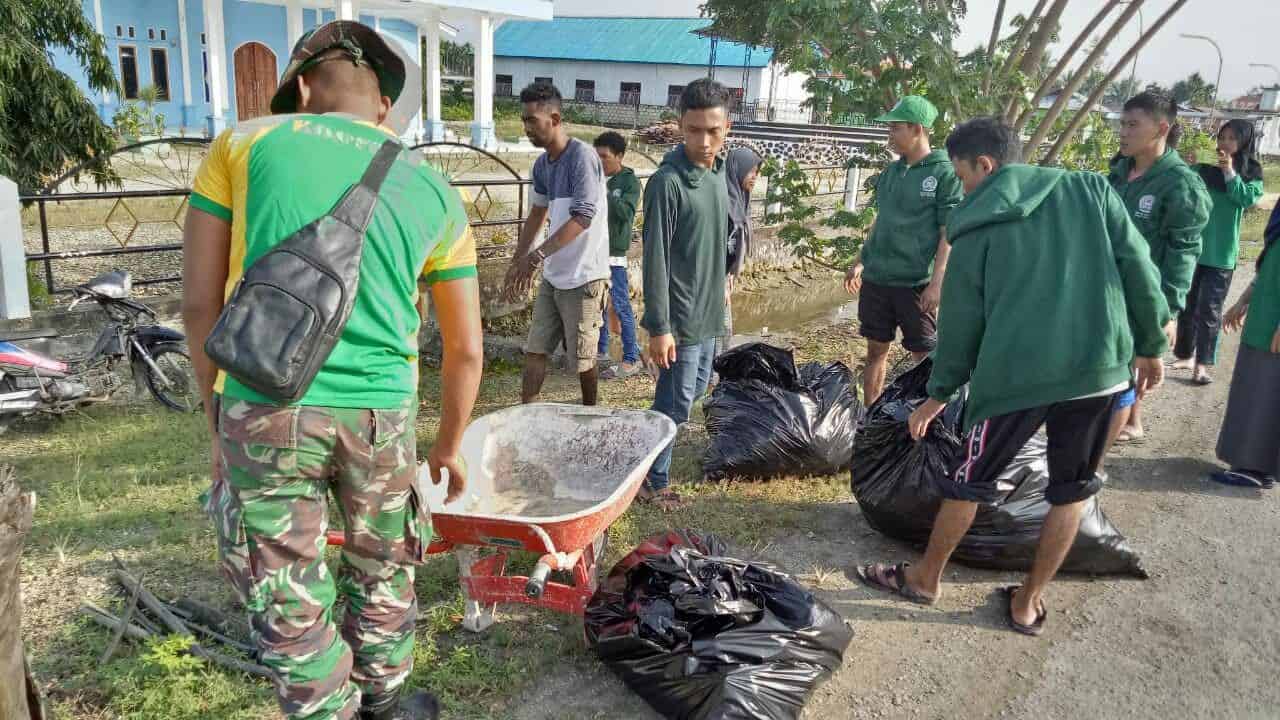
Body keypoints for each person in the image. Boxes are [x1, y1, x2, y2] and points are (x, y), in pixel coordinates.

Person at [181, 21, 484, 720]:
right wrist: (446, 446)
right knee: (383, 567)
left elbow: (200, 304)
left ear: (305, 86)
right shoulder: (433, 188)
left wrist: (218, 417)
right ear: (383, 105)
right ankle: (383, 703)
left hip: (263, 400)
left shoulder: (243, 144)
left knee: (287, 584)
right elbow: (465, 349)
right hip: (381, 414)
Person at [855, 117, 1169, 636]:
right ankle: (1026, 603)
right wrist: (1151, 346)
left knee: (969, 480)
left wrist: (939, 394)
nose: (961, 188)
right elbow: (1138, 267)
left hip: (1011, 382)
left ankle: (925, 579)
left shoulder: (975, 227)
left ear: (985, 165)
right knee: (1073, 491)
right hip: (1098, 374)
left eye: (961, 176)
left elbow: (961, 324)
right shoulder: (1090, 190)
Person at [640, 78, 731, 510]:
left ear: (727, 127)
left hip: (710, 313)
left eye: (713, 130)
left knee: (691, 394)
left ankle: (645, 455)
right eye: (695, 130)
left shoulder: (718, 173)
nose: (704, 140)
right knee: (674, 402)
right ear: (680, 126)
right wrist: (659, 326)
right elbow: (654, 258)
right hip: (680, 318)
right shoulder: (667, 183)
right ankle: (652, 481)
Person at [1105, 92, 1211, 445]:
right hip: (1107, 291)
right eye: (1122, 123)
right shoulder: (1119, 174)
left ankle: (1099, 457)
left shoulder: (1180, 184)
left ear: (1161, 128)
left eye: (1133, 124)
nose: (1123, 132)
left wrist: (1168, 311)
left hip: (1145, 296)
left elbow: (1183, 252)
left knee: (1128, 371)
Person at [844, 95, 963, 406]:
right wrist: (860, 260)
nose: (890, 136)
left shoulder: (944, 174)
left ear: (918, 129)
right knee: (875, 350)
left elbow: (946, 232)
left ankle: (927, 420)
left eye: (896, 129)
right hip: (878, 280)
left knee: (923, 354)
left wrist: (937, 283)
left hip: (914, 283)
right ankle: (871, 415)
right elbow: (881, 221)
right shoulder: (891, 173)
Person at [504, 82, 611, 405]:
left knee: (582, 360)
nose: (526, 128)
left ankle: (590, 413)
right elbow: (537, 213)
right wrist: (518, 259)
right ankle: (527, 413)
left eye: (532, 121)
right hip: (553, 276)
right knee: (535, 350)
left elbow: (583, 217)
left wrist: (535, 257)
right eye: (524, 121)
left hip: (585, 276)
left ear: (554, 118)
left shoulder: (582, 158)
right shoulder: (541, 165)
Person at [1173, 119, 1266, 384]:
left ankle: (1202, 365)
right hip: (1193, 248)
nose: (1224, 143)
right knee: (1187, 306)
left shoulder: (1251, 172)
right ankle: (1184, 354)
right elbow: (1184, 189)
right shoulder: (1205, 167)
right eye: (1221, 137)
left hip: (1221, 254)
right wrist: (1186, 165)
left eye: (1231, 138)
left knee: (1210, 310)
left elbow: (1245, 199)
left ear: (1244, 142)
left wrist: (1229, 173)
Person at [1212, 199, 1280, 488]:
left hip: (1274, 326)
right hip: (1265, 317)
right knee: (1253, 388)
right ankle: (1250, 465)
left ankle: (1253, 468)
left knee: (1266, 392)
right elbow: (1270, 263)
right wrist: (1242, 300)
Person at [593, 131, 643, 379]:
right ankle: (601, 352)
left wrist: (604, 191)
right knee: (597, 306)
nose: (600, 161)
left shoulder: (629, 183)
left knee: (621, 306)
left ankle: (632, 357)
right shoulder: (591, 178)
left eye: (605, 156)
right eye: (597, 156)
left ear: (619, 156)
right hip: (593, 255)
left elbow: (625, 214)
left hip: (614, 257)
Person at [716, 146, 763, 358]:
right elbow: (716, 248)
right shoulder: (723, 202)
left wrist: (731, 275)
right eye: (751, 171)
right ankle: (711, 378)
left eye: (757, 172)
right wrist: (721, 282)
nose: (755, 177)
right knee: (720, 330)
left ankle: (713, 377)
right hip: (712, 280)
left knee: (723, 331)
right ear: (737, 169)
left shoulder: (740, 200)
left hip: (723, 278)